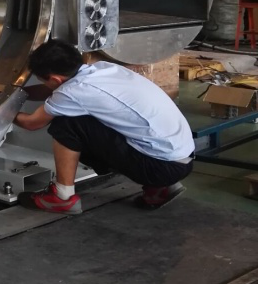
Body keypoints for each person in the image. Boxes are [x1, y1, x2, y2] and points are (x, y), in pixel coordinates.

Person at [14, 38, 194, 214]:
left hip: (160, 168)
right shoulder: (104, 69)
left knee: (66, 124)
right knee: (84, 118)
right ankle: (160, 189)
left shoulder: (71, 92)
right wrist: (15, 93)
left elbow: (32, 123)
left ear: (55, 79)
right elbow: (53, 89)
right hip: (181, 160)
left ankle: (62, 197)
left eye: (44, 80)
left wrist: (1, 108)